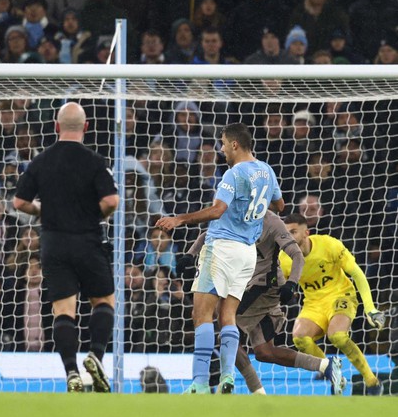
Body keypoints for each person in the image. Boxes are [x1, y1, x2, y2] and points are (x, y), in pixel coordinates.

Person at [156, 123, 284, 394]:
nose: (221, 149)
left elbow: (217, 211)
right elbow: (279, 205)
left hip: (222, 248)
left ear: (235, 144)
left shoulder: (233, 173)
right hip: (247, 253)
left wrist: (180, 219)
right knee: (228, 316)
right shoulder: (267, 171)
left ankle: (200, 383)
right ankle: (227, 377)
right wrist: (252, 207)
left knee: (201, 314)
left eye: (223, 143)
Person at [12, 102, 119, 392]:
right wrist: (94, 214)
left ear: (56, 126)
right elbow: (111, 201)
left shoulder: (41, 161)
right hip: (87, 239)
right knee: (104, 301)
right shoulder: (94, 161)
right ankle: (95, 356)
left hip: (54, 244)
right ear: (86, 127)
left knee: (63, 311)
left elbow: (19, 202)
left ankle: (71, 372)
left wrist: (40, 210)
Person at [180, 211, 344, 395]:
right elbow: (209, 234)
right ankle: (326, 366)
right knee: (265, 352)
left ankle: (253, 390)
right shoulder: (237, 213)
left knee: (227, 330)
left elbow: (297, 256)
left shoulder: (272, 222)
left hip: (264, 286)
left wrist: (291, 284)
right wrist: (190, 254)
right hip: (246, 286)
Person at [281, 214, 387, 395]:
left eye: (293, 232)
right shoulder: (284, 259)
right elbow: (280, 288)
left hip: (341, 295)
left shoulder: (328, 245)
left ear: (306, 233)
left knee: (337, 336)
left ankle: (371, 380)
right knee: (299, 338)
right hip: (314, 303)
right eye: (285, 233)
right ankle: (332, 373)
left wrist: (370, 308)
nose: (288, 238)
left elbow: (357, 274)